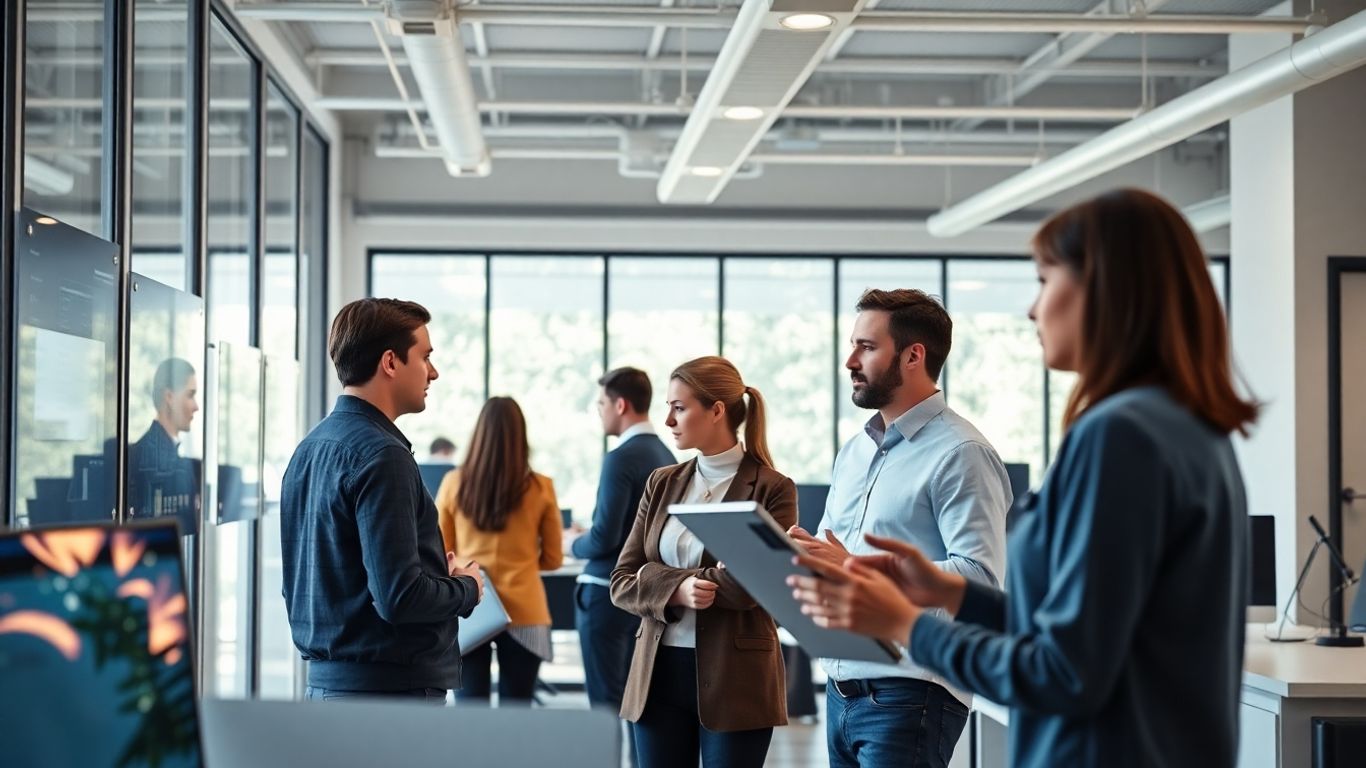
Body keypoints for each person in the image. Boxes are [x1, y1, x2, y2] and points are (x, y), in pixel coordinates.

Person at [789, 188, 1257, 767]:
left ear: (1106, 290)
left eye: (1044, 279)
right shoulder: (1186, 425)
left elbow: (1062, 671)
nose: (1033, 309)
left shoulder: (1121, 436)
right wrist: (945, 591)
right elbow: (1085, 632)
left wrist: (905, 624)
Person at [788, 288, 1010, 768]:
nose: (850, 359)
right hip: (842, 687)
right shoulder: (854, 451)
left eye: (866, 347)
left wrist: (852, 567)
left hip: (912, 690)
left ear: (913, 356)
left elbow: (981, 580)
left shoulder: (962, 452)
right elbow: (831, 550)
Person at [281, 298, 483, 703]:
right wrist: (467, 587)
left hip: (329, 688)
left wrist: (429, 573)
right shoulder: (382, 455)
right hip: (389, 694)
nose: (434, 372)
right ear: (390, 362)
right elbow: (399, 598)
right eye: (425, 357)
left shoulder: (309, 448)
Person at [611, 356, 797, 768]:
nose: (669, 420)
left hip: (738, 678)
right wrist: (678, 588)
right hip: (657, 674)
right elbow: (622, 580)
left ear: (716, 410)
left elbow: (753, 586)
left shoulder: (773, 489)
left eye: (679, 407)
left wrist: (655, 575)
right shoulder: (662, 482)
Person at [436, 396, 563, 706]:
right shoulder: (541, 487)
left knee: (471, 713)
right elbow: (554, 558)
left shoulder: (454, 483)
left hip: (470, 605)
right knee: (517, 714)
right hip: (526, 611)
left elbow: (441, 552)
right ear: (521, 435)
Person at [566, 367, 675, 721]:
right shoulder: (665, 456)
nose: (599, 411)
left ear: (621, 405)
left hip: (605, 593)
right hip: (643, 594)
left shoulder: (620, 457)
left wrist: (571, 544)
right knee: (637, 703)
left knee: (606, 705)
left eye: (602, 404)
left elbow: (604, 538)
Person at [128, 357, 202, 532]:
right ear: (169, 397)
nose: (196, 406)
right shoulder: (154, 460)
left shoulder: (156, 453)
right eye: (190, 395)